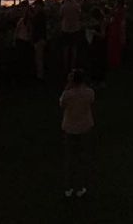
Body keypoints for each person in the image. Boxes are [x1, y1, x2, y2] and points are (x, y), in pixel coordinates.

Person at [60, 68, 95, 199]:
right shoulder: (89, 93)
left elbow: (61, 104)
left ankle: (69, 187)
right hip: (85, 127)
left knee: (70, 158)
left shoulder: (68, 95)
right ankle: (80, 186)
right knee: (82, 157)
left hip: (70, 128)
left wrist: (67, 87)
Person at [61, 0, 83, 72]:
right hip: (75, 28)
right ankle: (73, 66)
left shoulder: (64, 6)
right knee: (74, 49)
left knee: (66, 49)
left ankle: (65, 66)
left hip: (65, 29)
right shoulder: (76, 5)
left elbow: (60, 15)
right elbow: (80, 14)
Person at [12, 1, 33, 80]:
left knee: (21, 60)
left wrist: (14, 40)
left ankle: (21, 76)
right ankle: (23, 76)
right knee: (24, 60)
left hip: (21, 41)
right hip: (24, 42)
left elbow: (16, 31)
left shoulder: (22, 21)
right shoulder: (26, 22)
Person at [105, 0, 126, 73]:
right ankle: (115, 62)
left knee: (114, 46)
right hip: (116, 29)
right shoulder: (121, 10)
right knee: (116, 46)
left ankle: (114, 62)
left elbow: (114, 16)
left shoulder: (119, 11)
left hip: (116, 29)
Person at [31, 0, 48, 81]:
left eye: (36, 6)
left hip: (39, 39)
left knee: (39, 59)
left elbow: (37, 28)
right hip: (40, 39)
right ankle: (40, 75)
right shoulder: (42, 16)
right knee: (39, 58)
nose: (35, 8)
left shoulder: (39, 16)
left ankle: (40, 77)